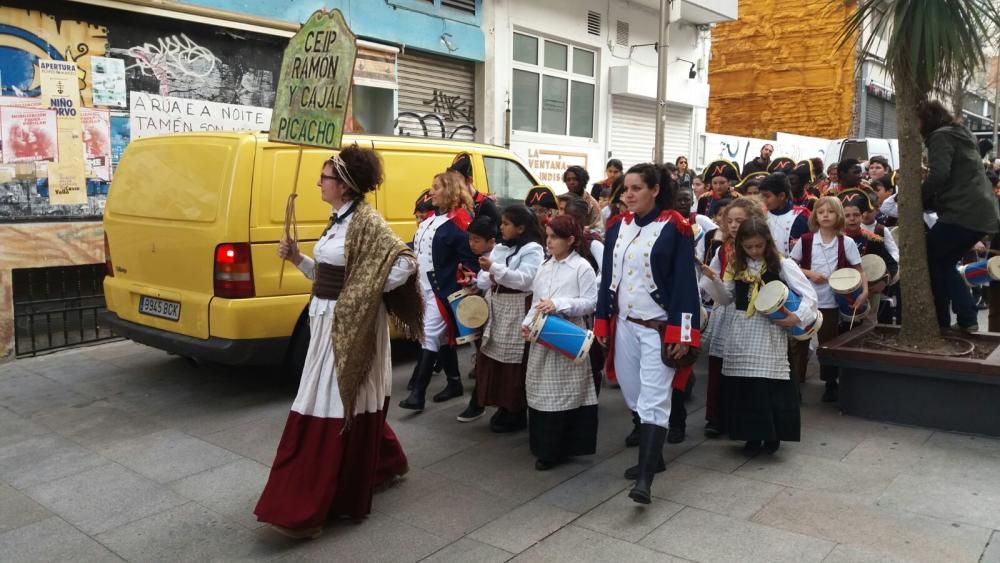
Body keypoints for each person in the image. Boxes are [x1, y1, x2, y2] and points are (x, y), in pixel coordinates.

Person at [255, 146, 421, 538]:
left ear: (344, 185)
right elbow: (327, 276)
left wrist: (362, 294)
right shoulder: (337, 220)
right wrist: (297, 258)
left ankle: (307, 503)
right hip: (325, 321)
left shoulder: (367, 221)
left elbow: (404, 262)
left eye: (325, 177)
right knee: (341, 396)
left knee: (326, 400)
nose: (318, 183)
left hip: (350, 326)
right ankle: (384, 463)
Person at [594, 163, 701, 505]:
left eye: (636, 188)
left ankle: (645, 479)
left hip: (658, 329)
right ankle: (654, 457)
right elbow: (607, 277)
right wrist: (601, 321)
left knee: (655, 400)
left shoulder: (676, 228)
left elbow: (686, 286)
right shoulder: (615, 226)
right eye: (625, 188)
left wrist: (683, 336)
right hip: (624, 325)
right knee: (632, 393)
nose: (628, 194)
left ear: (655, 190)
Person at [708, 217, 816, 454]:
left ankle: (772, 435)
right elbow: (726, 299)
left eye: (759, 246)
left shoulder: (781, 264)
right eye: (749, 247)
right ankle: (750, 436)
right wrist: (712, 280)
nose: (755, 251)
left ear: (767, 242)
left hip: (769, 329)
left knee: (767, 383)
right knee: (744, 384)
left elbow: (809, 295)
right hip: (740, 329)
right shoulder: (736, 265)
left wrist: (797, 317)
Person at [522, 215, 600, 470]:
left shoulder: (582, 267)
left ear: (571, 240)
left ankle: (561, 447)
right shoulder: (545, 266)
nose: (549, 242)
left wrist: (561, 304)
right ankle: (543, 445)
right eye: (547, 236)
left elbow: (591, 302)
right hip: (542, 333)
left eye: (554, 237)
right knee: (541, 390)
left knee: (565, 393)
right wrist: (527, 323)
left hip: (568, 333)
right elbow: (536, 300)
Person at [399, 171, 479, 411]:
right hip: (422, 289)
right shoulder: (430, 219)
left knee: (429, 335)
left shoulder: (461, 222)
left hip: (442, 291)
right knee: (441, 338)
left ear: (451, 191)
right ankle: (454, 382)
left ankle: (418, 393)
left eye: (436, 187)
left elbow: (470, 261)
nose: (431, 192)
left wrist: (462, 284)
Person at [919, 100, 1000, 332]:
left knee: (936, 258)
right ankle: (957, 318)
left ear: (927, 119)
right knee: (943, 262)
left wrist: (917, 196)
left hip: (964, 213)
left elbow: (939, 175)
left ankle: (963, 316)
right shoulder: (962, 135)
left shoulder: (940, 137)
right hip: (980, 213)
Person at [467, 205, 545, 432]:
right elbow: (485, 278)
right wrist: (479, 278)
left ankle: (516, 409)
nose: (501, 228)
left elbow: (525, 280)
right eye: (501, 223)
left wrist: (494, 269)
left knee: (514, 360)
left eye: (506, 224)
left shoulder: (533, 250)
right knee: (494, 356)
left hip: (517, 307)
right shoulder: (500, 247)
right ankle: (502, 404)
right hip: (497, 307)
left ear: (521, 228)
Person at [789, 196, 867, 402]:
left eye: (830, 211)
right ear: (815, 215)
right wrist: (809, 273)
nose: (825, 215)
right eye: (821, 211)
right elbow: (791, 265)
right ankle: (795, 383)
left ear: (838, 215)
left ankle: (830, 383)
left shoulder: (846, 242)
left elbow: (859, 269)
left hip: (831, 301)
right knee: (799, 341)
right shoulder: (806, 240)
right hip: (806, 299)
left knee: (828, 342)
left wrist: (864, 291)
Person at [699, 198, 766, 438]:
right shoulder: (722, 249)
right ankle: (715, 417)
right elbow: (715, 285)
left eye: (740, 220)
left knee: (743, 366)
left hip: (751, 314)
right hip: (726, 311)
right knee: (719, 364)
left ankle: (740, 417)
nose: (735, 225)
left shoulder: (763, 248)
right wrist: (709, 279)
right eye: (730, 221)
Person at [454, 216, 498, 422]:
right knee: (485, 359)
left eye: (477, 240)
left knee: (487, 360)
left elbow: (490, 281)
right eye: (470, 239)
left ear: (491, 241)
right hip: (490, 312)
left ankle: (479, 403)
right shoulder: (484, 257)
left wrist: (478, 283)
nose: (472, 244)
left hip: (498, 314)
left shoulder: (496, 257)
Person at [450, 153, 501, 235]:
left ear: (469, 180)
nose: (452, 185)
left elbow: (499, 236)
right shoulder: (455, 203)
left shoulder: (486, 205)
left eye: (456, 181)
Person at [760, 172, 810, 256]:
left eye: (767, 196)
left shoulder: (801, 215)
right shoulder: (760, 214)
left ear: (781, 196)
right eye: (762, 196)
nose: (763, 200)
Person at [564, 165, 604, 231]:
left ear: (583, 181)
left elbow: (599, 230)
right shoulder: (561, 200)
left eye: (575, 179)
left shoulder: (592, 204)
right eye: (568, 180)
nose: (571, 182)